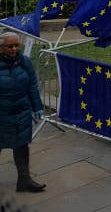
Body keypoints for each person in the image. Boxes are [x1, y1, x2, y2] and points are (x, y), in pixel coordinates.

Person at [0, 31, 46, 193]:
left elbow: (32, 86)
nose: (14, 49)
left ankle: (24, 181)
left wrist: (37, 107)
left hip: (21, 113)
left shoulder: (24, 62)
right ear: (0, 48)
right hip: (2, 116)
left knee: (21, 146)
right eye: (9, 46)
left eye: (17, 45)